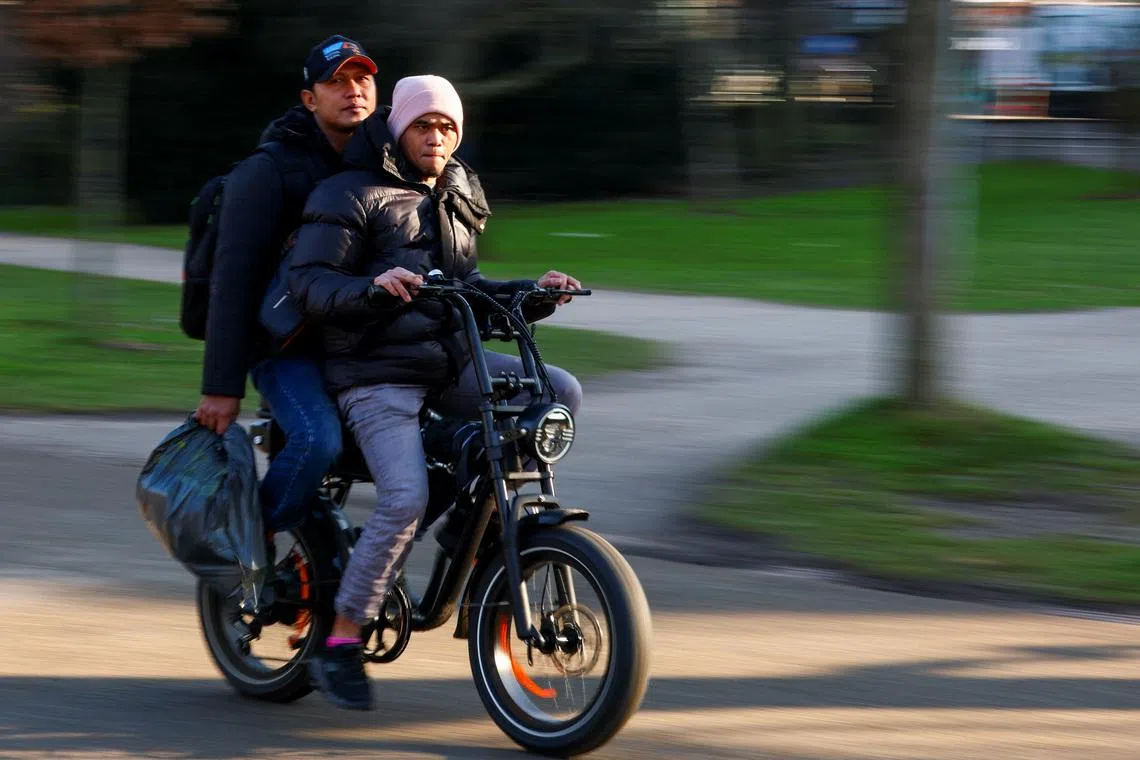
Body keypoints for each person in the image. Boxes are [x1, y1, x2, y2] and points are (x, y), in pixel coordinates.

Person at [282, 74, 583, 710]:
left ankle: (473, 533)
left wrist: (533, 292)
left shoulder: (455, 192)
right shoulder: (349, 193)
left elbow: (462, 289)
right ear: (398, 128)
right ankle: (340, 641)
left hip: (449, 363)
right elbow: (309, 282)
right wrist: (370, 288)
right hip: (373, 372)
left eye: (448, 126)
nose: (437, 137)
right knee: (404, 497)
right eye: (424, 125)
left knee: (555, 390)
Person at [194, 35, 378, 533]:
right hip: (283, 347)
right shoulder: (267, 171)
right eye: (335, 82)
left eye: (362, 78)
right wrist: (221, 387)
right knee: (317, 440)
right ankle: (249, 548)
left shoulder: (386, 163)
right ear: (309, 99)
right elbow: (231, 283)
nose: (353, 90)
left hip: (357, 343)